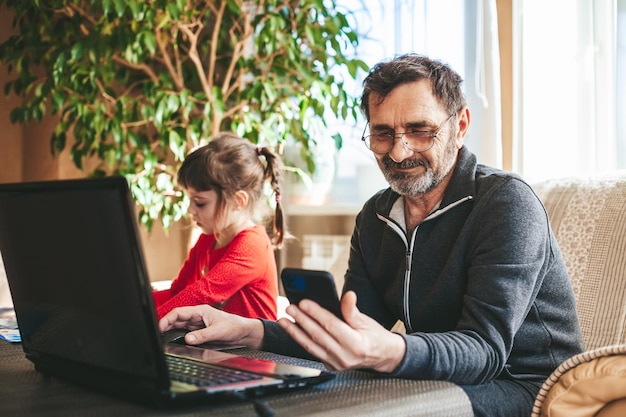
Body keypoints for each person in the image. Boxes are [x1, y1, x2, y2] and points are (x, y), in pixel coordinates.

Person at [158, 54, 584, 417]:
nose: (399, 152)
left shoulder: (506, 204)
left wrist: (391, 351)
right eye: (382, 133)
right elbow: (351, 329)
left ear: (461, 125)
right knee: (278, 401)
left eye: (420, 130)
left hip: (528, 386)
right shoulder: (377, 215)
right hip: (439, 373)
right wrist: (247, 330)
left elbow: (484, 351)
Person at [152, 132, 285, 321]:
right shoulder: (208, 238)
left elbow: (201, 294)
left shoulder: (252, 245)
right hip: (219, 347)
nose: (190, 210)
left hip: (251, 350)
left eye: (199, 203)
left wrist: (144, 325)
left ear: (238, 201)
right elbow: (177, 292)